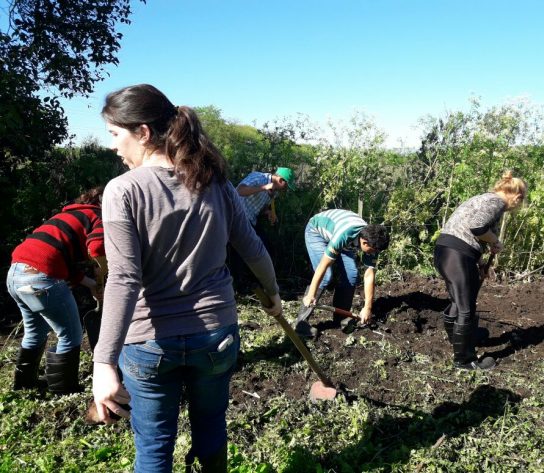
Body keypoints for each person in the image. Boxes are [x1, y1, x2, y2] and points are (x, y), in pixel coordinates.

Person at [92, 84, 282, 473]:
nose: (112, 146)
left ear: (143, 132)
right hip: (215, 335)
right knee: (211, 426)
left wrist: (103, 360)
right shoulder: (216, 182)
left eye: (115, 134)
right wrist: (274, 293)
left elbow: (124, 279)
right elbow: (253, 248)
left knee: (154, 446)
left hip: (149, 343)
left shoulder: (122, 190)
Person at [7, 187, 105, 394]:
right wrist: (106, 272)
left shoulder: (68, 216)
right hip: (42, 278)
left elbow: (57, 258)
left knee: (35, 331)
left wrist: (93, 285)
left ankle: (25, 386)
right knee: (71, 335)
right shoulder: (98, 216)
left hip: (15, 274)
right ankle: (64, 390)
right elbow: (97, 248)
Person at [433, 171, 526, 370]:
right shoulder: (497, 202)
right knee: (466, 308)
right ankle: (465, 360)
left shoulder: (483, 198)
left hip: (445, 251)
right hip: (457, 254)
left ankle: (458, 340)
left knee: (459, 301)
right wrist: (495, 241)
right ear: (517, 197)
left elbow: (469, 232)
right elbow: (477, 227)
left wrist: (480, 262)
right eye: (520, 202)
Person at [296, 209, 390, 337]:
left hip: (344, 240)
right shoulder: (344, 235)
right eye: (373, 250)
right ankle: (301, 324)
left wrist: (367, 308)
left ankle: (341, 318)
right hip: (317, 232)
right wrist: (311, 294)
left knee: (352, 276)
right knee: (326, 276)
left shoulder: (373, 241)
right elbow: (323, 266)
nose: (374, 253)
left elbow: (369, 275)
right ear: (364, 242)